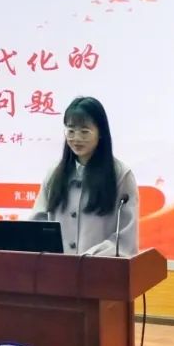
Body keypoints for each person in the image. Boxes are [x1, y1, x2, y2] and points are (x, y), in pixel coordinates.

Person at [31, 96, 139, 256]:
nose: (76, 138)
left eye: (84, 131)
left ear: (100, 132)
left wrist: (88, 260)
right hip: (57, 268)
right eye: (71, 131)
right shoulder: (54, 174)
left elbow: (125, 239)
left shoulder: (121, 175)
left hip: (100, 268)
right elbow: (36, 225)